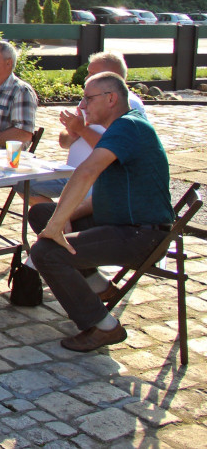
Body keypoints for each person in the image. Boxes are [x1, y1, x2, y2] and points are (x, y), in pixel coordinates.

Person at [29, 72, 172, 352]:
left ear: (111, 98)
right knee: (41, 213)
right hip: (121, 222)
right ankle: (98, 284)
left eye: (88, 98)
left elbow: (87, 171)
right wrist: (62, 215)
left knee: (46, 252)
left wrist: (57, 226)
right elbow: (107, 193)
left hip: (141, 235)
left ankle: (103, 326)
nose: (82, 106)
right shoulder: (121, 129)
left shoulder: (129, 127)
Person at [24, 51, 146, 204]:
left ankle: (63, 220)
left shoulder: (127, 103)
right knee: (24, 184)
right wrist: (73, 131)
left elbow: (117, 152)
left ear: (112, 77)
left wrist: (82, 129)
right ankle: (60, 220)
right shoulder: (92, 97)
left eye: (92, 73)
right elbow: (64, 141)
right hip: (71, 173)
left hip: (97, 180)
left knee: (37, 194)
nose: (86, 78)